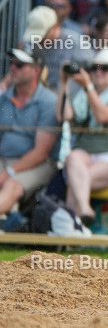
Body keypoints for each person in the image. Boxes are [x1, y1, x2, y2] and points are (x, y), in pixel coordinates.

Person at [57, 47, 108, 223]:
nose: (98, 72)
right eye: (95, 68)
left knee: (77, 181)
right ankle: (82, 215)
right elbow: (63, 116)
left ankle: (71, 232)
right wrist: (64, 84)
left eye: (105, 68)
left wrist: (88, 86)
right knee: (73, 159)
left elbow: (102, 116)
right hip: (86, 154)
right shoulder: (86, 93)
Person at [0, 48, 58, 218]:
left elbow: (41, 152)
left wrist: (7, 173)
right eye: (12, 63)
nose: (13, 68)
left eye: (20, 65)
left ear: (36, 70)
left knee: (12, 185)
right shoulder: (4, 98)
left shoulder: (48, 101)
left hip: (39, 164)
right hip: (4, 159)